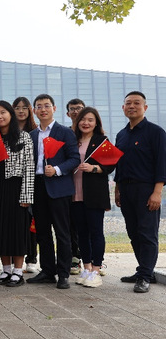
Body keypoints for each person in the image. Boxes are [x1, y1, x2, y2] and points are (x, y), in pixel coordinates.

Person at [114, 91, 166, 293]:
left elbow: (162, 163)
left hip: (146, 189)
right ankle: (144, 270)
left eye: (137, 103)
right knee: (133, 232)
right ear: (123, 108)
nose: (132, 106)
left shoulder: (156, 132)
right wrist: (117, 190)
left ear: (145, 107)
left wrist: (157, 192)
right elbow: (119, 164)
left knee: (147, 233)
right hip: (126, 189)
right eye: (128, 103)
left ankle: (144, 276)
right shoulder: (121, 135)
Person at [27, 94, 80, 290]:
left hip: (58, 187)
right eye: (39, 106)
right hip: (38, 186)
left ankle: (63, 273)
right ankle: (48, 271)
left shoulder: (64, 132)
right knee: (42, 232)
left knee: (62, 232)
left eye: (47, 106)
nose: (43, 109)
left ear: (54, 109)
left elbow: (74, 159)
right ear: (34, 111)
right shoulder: (32, 135)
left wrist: (57, 169)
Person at [0, 101, 35, 288]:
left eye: (3, 112)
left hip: (16, 187)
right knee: (0, 229)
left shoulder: (23, 136)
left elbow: (29, 167)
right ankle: (6, 270)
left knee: (16, 230)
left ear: (10, 114)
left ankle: (18, 272)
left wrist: (26, 196)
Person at [72, 107, 115, 288]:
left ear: (96, 122)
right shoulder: (72, 140)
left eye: (90, 120)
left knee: (96, 232)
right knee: (81, 233)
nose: (86, 123)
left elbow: (111, 165)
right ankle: (87, 268)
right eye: (83, 119)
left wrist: (94, 168)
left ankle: (96, 270)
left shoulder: (101, 141)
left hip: (94, 194)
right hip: (75, 193)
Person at [13, 96, 38, 274]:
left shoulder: (35, 132)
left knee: (31, 222)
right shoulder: (8, 132)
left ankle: (31, 258)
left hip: (33, 181)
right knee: (18, 222)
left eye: (24, 108)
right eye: (17, 108)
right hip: (14, 183)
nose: (21, 111)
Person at [65, 98, 86, 275]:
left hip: (88, 186)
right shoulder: (65, 134)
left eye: (79, 108)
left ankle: (95, 260)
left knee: (90, 224)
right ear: (67, 113)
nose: (75, 111)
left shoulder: (93, 135)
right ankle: (74, 257)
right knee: (70, 224)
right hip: (68, 185)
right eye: (72, 109)